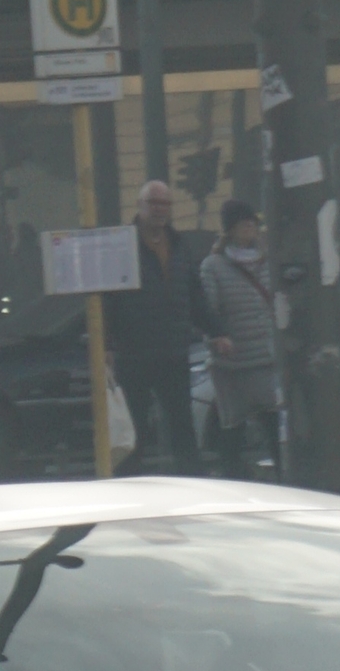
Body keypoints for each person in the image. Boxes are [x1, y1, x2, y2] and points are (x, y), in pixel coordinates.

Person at [103, 180, 207, 472]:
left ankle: (193, 481)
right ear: (140, 207)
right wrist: (107, 344)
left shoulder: (179, 245)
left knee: (181, 426)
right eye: (154, 204)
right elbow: (108, 299)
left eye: (165, 204)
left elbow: (194, 293)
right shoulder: (123, 245)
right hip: (133, 352)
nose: (160, 210)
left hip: (172, 350)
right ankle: (130, 485)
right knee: (134, 426)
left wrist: (218, 330)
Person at [198, 200, 281, 477]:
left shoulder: (269, 261)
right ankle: (234, 479)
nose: (249, 227)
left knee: (273, 422)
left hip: (266, 358)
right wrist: (218, 336)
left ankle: (283, 476)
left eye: (252, 222)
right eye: (242, 223)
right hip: (231, 364)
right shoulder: (213, 266)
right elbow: (207, 310)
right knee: (233, 425)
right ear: (229, 229)